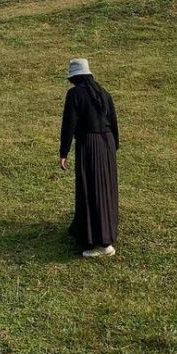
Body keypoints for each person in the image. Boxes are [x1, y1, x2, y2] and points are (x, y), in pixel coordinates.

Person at [59, 57, 120, 258]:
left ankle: (102, 243)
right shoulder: (103, 93)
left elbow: (69, 123)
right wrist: (113, 148)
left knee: (91, 187)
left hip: (90, 143)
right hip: (107, 143)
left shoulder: (75, 94)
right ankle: (90, 231)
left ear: (75, 77)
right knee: (105, 187)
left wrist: (63, 152)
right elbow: (113, 121)